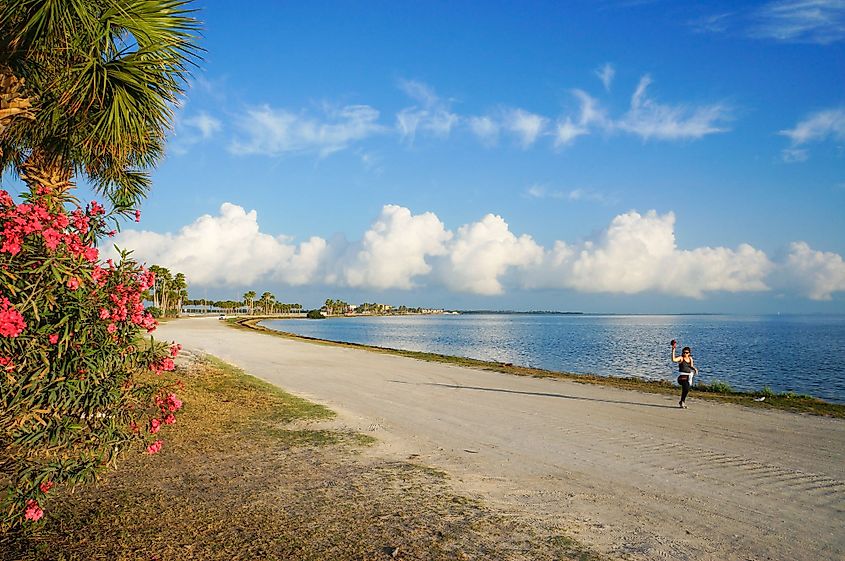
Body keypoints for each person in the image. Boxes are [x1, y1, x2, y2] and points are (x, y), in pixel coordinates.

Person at [671, 341, 698, 408]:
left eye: (686, 353)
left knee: (687, 389)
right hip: (681, 377)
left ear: (689, 353)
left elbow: (691, 366)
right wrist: (673, 350)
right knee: (686, 387)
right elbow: (673, 359)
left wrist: (695, 369)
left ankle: (682, 401)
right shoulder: (681, 358)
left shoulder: (690, 358)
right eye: (684, 352)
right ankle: (682, 402)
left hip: (689, 376)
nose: (685, 354)